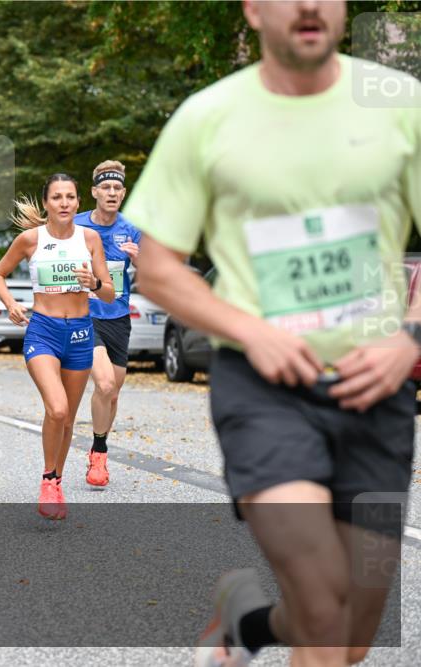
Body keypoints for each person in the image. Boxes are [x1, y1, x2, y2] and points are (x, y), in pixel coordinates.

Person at [127, 2, 421, 665]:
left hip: (378, 392)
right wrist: (250, 331)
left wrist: (410, 336)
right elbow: (156, 267)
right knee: (323, 604)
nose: (311, 6)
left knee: (348, 634)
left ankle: (244, 620)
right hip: (264, 391)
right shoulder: (208, 118)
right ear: (254, 9)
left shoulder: (401, 104)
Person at [0, 174, 114, 520]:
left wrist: (96, 282)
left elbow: (109, 293)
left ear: (77, 203)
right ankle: (48, 478)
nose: (64, 203)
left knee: (69, 418)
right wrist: (11, 304)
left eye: (70, 197)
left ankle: (56, 483)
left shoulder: (90, 239)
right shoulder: (30, 239)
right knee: (57, 409)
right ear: (46, 203)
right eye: (57, 197)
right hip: (42, 330)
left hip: (79, 332)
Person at [73, 161, 141, 487]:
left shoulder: (133, 228)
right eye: (106, 188)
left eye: (117, 189)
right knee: (104, 385)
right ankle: (99, 457)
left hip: (118, 316)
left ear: (123, 193)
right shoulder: (76, 224)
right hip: (84, 315)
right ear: (95, 192)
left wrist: (140, 260)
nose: (112, 193)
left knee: (112, 395)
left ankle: (98, 446)